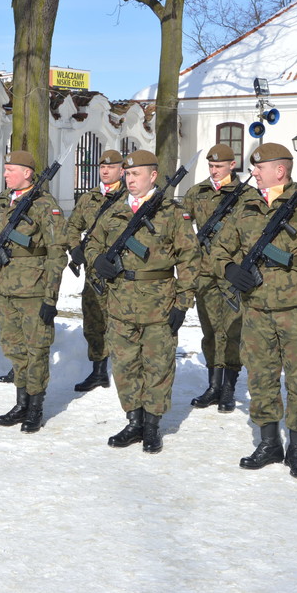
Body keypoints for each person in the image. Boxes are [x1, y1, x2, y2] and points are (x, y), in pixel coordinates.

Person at [211, 142, 297, 479]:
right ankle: (269, 443)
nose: (253, 172)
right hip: (256, 311)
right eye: (254, 168)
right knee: (261, 378)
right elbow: (217, 249)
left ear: (280, 171)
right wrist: (229, 269)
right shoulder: (245, 208)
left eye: (260, 168)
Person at [85, 149, 198, 453]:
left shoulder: (172, 214)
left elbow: (190, 259)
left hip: (159, 303)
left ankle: (152, 425)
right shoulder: (114, 211)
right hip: (120, 302)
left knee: (158, 366)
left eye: (135, 174)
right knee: (124, 365)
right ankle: (133, 420)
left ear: (152, 176)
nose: (129, 179)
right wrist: (98, 261)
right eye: (127, 174)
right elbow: (92, 243)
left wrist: (182, 302)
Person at [0, 150, 68, 433]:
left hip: (35, 289)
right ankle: (21, 402)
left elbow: (57, 254)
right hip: (6, 288)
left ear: (27, 172)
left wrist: (51, 297)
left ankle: (35, 408)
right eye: (5, 169)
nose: (5, 174)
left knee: (36, 350)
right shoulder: (3, 201)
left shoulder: (44, 205)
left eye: (10, 170)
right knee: (14, 349)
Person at [183, 144, 249, 413]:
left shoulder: (246, 195)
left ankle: (229, 387)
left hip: (233, 272)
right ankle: (213, 385)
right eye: (211, 166)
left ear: (232, 165)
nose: (214, 170)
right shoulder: (196, 193)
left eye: (219, 166)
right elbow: (182, 229)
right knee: (210, 330)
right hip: (205, 272)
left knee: (232, 330)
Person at [66, 149, 126, 392]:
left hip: (120, 271)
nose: (105, 170)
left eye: (110, 167)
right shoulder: (89, 198)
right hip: (93, 270)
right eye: (102, 166)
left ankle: (125, 371)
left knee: (122, 320)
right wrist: (74, 248)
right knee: (93, 320)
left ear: (121, 170)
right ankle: (99, 371)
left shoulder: (128, 197)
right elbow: (72, 225)